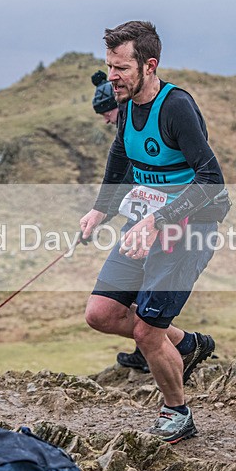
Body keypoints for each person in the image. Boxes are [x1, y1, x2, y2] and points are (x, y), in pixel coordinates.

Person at [80, 21, 229, 443]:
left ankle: (177, 411)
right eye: (109, 67)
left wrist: (158, 220)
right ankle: (187, 344)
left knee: (146, 331)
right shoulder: (124, 102)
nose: (112, 77)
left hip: (190, 226)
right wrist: (99, 210)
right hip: (146, 221)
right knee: (102, 313)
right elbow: (120, 156)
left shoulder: (176, 107)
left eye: (121, 68)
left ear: (150, 65)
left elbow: (210, 179)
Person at [92, 69, 150, 373]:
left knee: (142, 289)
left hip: (152, 224)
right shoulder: (128, 128)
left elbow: (126, 181)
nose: (105, 119)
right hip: (140, 219)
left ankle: (156, 347)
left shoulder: (134, 129)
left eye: (106, 112)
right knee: (140, 289)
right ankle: (148, 348)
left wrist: (103, 215)